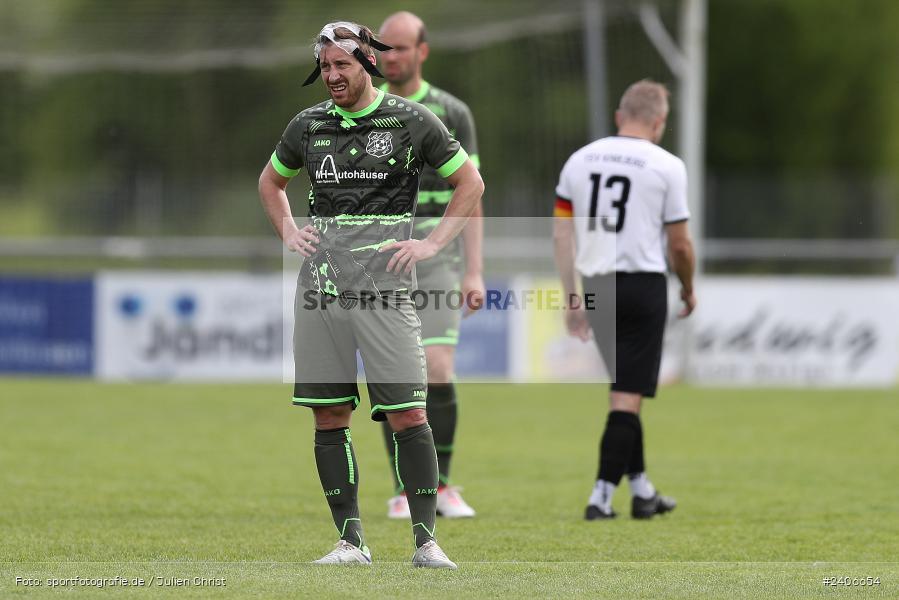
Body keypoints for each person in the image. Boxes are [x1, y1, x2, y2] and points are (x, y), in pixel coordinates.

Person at [258, 21, 483, 567]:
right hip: (321, 291)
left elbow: (470, 183)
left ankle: (427, 543)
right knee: (329, 414)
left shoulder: (410, 120)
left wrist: (432, 245)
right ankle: (350, 542)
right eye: (326, 66)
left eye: (343, 65)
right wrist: (289, 230)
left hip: (384, 292)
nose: (333, 75)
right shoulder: (307, 125)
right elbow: (271, 182)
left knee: (409, 412)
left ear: (368, 65)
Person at [552, 79, 696, 520]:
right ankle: (600, 497)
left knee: (624, 389)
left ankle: (643, 491)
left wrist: (571, 295)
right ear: (659, 122)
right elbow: (680, 246)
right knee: (626, 397)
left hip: (597, 285)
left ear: (619, 116)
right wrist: (688, 287)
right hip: (642, 285)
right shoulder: (667, 165)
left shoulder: (579, 160)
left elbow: (562, 234)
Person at [376, 11, 484, 520]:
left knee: (437, 369)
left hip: (438, 256)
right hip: (379, 260)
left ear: (423, 50)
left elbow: (473, 195)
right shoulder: (366, 109)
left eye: (400, 47)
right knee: (394, 373)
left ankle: (439, 484)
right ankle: (404, 488)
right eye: (383, 48)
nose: (389, 57)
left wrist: (475, 269)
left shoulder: (450, 110)